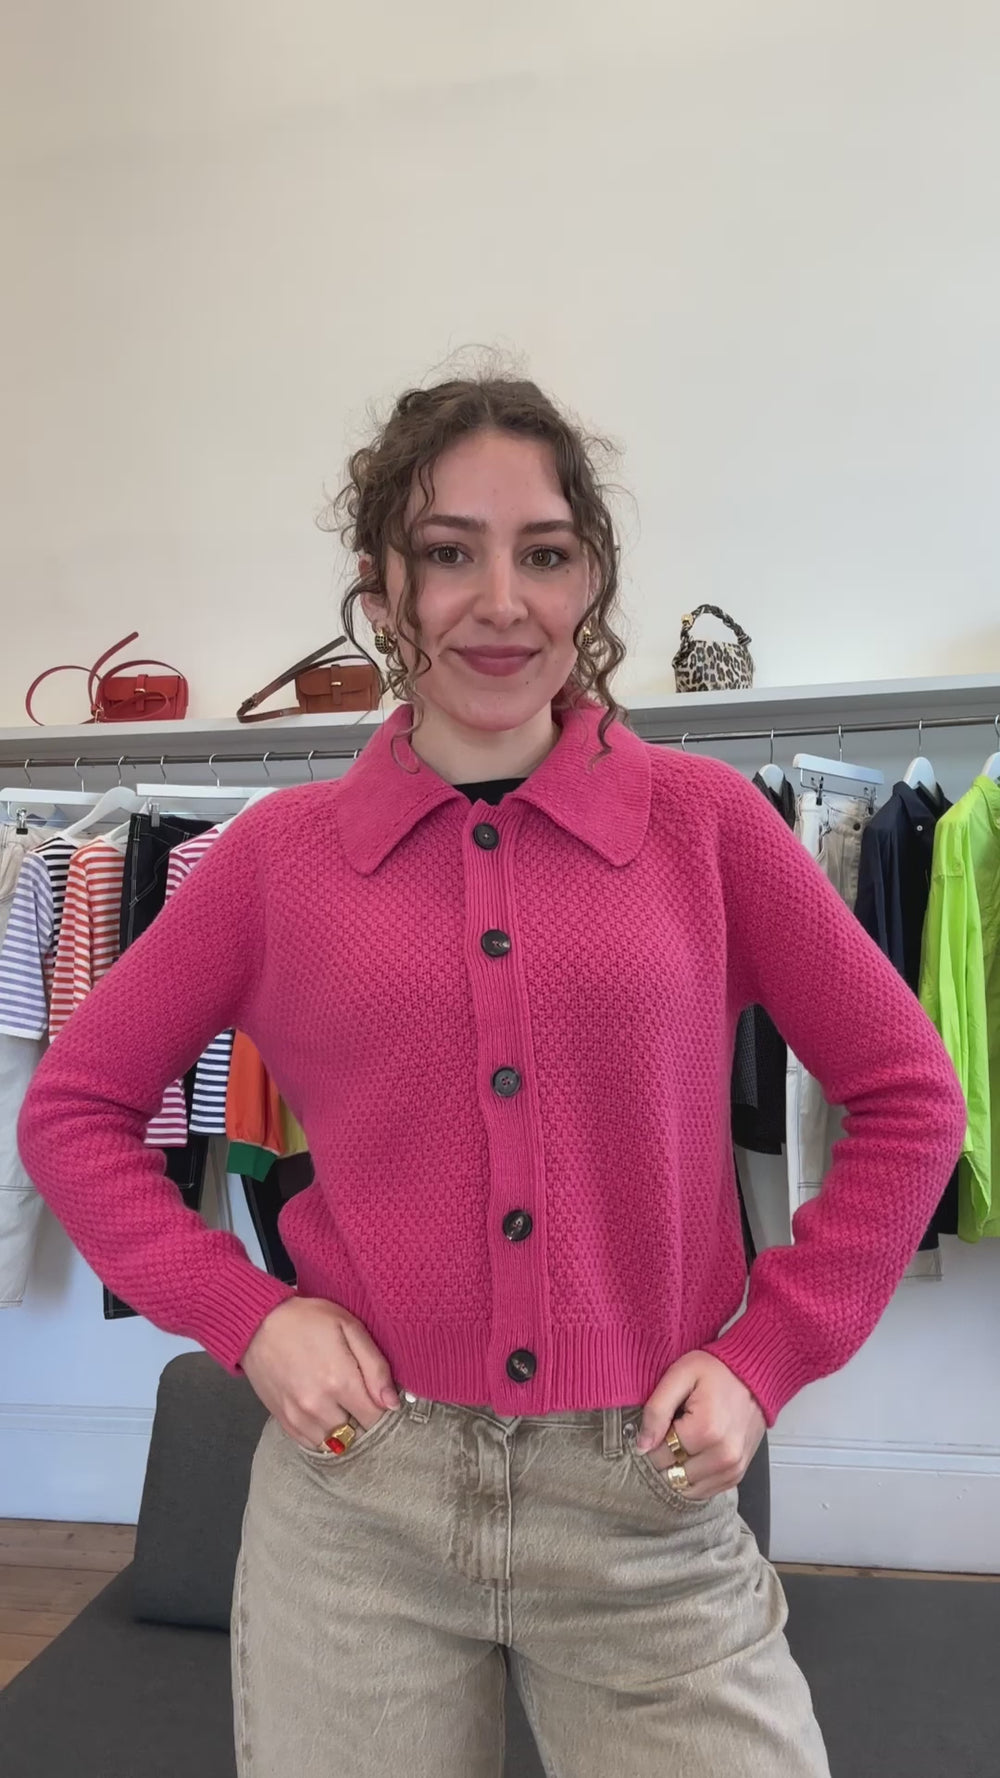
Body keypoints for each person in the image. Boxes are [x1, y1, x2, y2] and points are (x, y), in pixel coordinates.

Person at [18, 374, 966, 1777]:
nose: (502, 601)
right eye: (449, 551)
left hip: (643, 1501)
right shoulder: (277, 860)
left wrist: (767, 1356)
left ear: (592, 580)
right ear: (382, 587)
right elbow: (74, 1112)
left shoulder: (705, 825)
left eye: (546, 552)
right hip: (360, 1500)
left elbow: (910, 1096)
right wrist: (250, 1318)